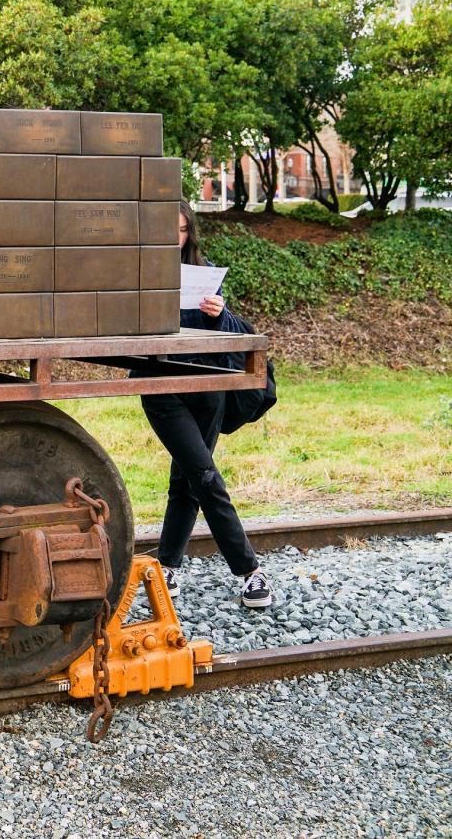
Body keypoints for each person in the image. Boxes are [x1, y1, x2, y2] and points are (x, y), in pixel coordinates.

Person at [140, 201, 272, 609]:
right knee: (206, 477)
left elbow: (229, 331)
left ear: (189, 232)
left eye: (181, 230)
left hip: (209, 387)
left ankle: (167, 567)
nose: (174, 238)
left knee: (189, 482)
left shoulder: (203, 269)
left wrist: (218, 314)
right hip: (164, 390)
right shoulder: (139, 273)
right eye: (168, 230)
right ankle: (249, 571)